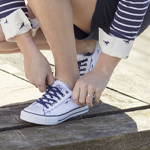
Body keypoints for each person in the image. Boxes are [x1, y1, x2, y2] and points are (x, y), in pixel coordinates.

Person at [0, 0, 150, 125]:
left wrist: (102, 70)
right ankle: (83, 45)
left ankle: (68, 82)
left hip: (120, 12)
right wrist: (29, 51)